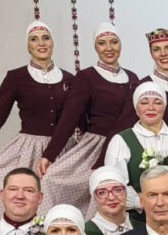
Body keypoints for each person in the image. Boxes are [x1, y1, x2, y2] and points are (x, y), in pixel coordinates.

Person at [0, 21, 74, 221]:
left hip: (63, 149)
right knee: (14, 187)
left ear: (52, 43)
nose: (41, 43)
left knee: (57, 192)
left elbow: (77, 117)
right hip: (29, 148)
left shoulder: (69, 78)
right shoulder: (17, 77)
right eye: (34, 39)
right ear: (28, 46)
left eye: (46, 38)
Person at [38, 23, 140, 182]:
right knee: (55, 181)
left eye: (114, 42)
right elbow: (70, 118)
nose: (109, 48)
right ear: (95, 47)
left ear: (120, 44)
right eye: (102, 43)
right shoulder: (87, 77)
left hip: (128, 143)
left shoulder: (132, 78)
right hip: (98, 146)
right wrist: (49, 155)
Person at [103, 82, 168, 201]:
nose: (151, 107)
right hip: (137, 211)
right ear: (136, 108)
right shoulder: (121, 141)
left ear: (164, 107)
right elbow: (114, 184)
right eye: (144, 103)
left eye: (157, 102)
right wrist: (144, 203)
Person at [82, 165, 141, 235]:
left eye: (117, 190)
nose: (111, 197)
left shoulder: (144, 229)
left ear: (126, 192)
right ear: (94, 197)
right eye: (102, 192)